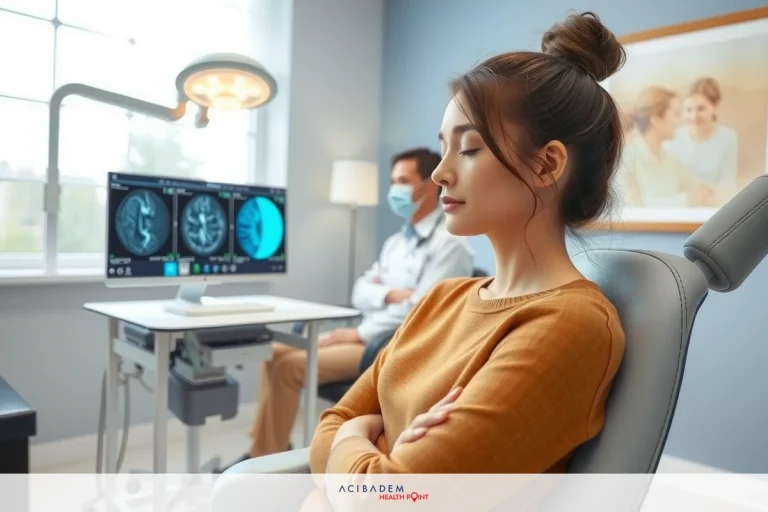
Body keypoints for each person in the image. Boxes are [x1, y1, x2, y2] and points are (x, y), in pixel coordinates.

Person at [308, 11, 628, 478]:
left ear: (547, 165)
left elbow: (391, 499)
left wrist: (357, 438)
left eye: (470, 148)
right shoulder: (442, 298)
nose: (439, 174)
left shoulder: (569, 326)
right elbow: (329, 426)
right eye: (443, 149)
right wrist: (366, 450)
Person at [243, 147, 474, 461]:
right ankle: (266, 448)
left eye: (403, 180)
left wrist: (361, 332)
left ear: (429, 185)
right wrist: (392, 293)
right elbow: (360, 291)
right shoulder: (396, 243)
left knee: (289, 366)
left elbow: (422, 311)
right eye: (393, 180)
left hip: (391, 346)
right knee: (272, 353)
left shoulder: (450, 244)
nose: (396, 189)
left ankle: (262, 462)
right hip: (368, 334)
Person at [618, 86, 714, 208]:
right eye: (675, 114)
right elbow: (632, 208)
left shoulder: (671, 160)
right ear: (656, 120)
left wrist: (705, 195)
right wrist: (686, 201)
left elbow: (700, 188)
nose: (679, 121)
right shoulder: (626, 158)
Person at [665, 77, 739, 202]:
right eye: (688, 110)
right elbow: (667, 186)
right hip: (681, 207)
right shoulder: (672, 138)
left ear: (715, 107)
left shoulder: (728, 137)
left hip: (715, 206)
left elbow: (728, 183)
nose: (693, 116)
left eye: (701, 109)